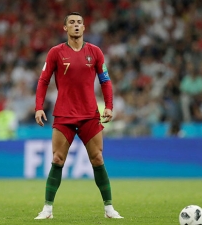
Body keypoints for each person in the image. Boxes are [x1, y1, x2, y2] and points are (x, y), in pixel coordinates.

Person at [34, 12, 123, 219]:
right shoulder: (55, 53)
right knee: (57, 159)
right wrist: (39, 107)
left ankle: (109, 208)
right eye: (72, 22)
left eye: (79, 23)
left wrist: (109, 106)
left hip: (89, 115)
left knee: (98, 158)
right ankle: (47, 209)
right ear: (65, 28)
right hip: (64, 115)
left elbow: (106, 81)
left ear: (84, 28)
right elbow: (43, 80)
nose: (76, 25)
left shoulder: (95, 52)